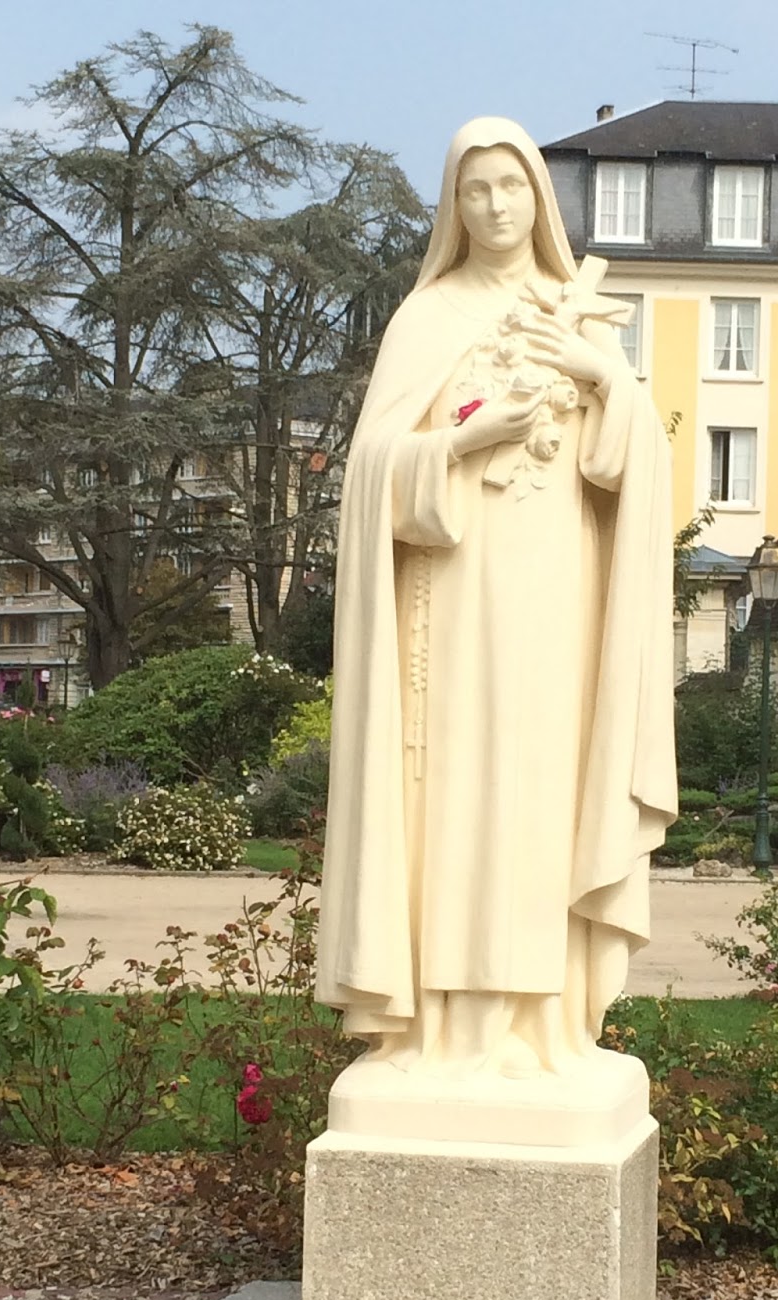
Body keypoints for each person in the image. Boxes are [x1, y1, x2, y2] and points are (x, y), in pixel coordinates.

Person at [315, 116, 677, 1082]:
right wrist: (469, 439)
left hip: (561, 594)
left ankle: (548, 1027)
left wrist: (605, 382)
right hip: (455, 599)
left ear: (538, 197)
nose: (494, 205)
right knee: (461, 793)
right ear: (455, 206)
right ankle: (452, 1029)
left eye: (510, 185)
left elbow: (630, 465)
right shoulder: (425, 318)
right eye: (474, 189)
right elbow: (372, 473)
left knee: (548, 790)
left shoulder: (575, 311)